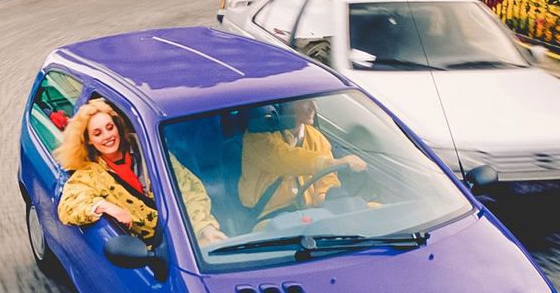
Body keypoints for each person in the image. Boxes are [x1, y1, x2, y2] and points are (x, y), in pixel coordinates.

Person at [57, 97, 225, 245]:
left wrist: (205, 227)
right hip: (151, 253)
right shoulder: (89, 175)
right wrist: (105, 206)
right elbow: (67, 208)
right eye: (97, 133)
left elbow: (189, 189)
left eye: (110, 127)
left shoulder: (151, 149)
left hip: (186, 235)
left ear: (117, 127)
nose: (107, 136)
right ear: (89, 140)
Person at [238, 98, 366, 218]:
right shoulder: (257, 137)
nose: (313, 107)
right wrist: (333, 163)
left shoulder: (317, 138)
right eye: (305, 101)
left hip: (310, 214)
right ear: (286, 103)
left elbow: (327, 180)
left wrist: (324, 198)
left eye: (314, 100)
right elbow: (285, 159)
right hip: (269, 217)